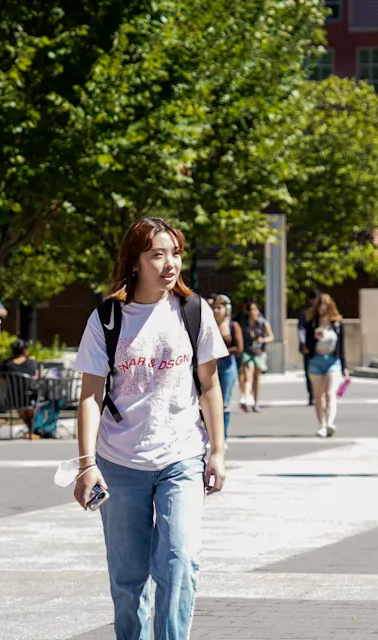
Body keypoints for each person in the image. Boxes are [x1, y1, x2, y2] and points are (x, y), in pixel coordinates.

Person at [70, 217, 227, 640]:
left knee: (179, 561)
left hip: (182, 455)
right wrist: (87, 465)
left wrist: (218, 451)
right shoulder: (107, 318)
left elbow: (209, 385)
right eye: (157, 254)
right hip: (119, 462)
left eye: (175, 253)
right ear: (135, 261)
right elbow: (89, 396)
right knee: (128, 579)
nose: (169, 263)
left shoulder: (193, 311)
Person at [301, 292, 347, 437]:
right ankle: (321, 424)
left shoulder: (337, 323)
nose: (322, 309)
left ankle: (330, 423)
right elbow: (306, 346)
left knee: (330, 393)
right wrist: (314, 338)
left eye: (325, 306)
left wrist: (345, 366)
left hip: (333, 360)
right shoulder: (312, 323)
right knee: (319, 395)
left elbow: (342, 346)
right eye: (320, 305)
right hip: (316, 360)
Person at [210, 294, 243, 437]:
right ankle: (212, 434)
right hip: (211, 366)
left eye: (220, 308)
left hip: (227, 365)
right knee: (211, 401)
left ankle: (223, 435)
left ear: (226, 309)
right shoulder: (208, 324)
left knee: (224, 402)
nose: (217, 311)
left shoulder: (232, 325)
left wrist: (221, 352)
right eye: (215, 308)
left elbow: (239, 347)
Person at [0, 338, 40, 437]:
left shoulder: (6, 365)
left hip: (13, 399)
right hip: (30, 398)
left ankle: (30, 429)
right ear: (25, 351)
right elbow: (37, 377)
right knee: (41, 398)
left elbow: (0, 380)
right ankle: (33, 429)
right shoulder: (31, 363)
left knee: (22, 404)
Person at [238, 299, 274, 412]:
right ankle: (246, 398)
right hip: (247, 351)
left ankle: (256, 402)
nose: (255, 312)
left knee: (256, 378)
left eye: (256, 309)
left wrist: (263, 340)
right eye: (252, 309)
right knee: (248, 374)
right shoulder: (243, 323)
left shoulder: (263, 323)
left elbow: (271, 337)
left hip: (259, 352)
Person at [297, 289, 322, 406]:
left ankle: (319, 394)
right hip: (308, 346)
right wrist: (303, 343)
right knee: (309, 371)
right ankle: (311, 394)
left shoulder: (321, 312)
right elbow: (301, 329)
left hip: (321, 345)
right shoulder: (305, 313)